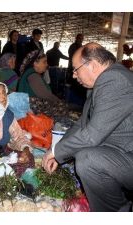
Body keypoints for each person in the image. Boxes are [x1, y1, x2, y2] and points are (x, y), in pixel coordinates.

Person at [42, 43, 133, 212]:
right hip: (123, 152)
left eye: (76, 69)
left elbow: (92, 135)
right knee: (83, 154)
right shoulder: (99, 84)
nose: (74, 75)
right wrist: (57, 150)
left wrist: (56, 152)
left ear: (92, 65)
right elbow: (82, 124)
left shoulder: (114, 79)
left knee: (87, 159)